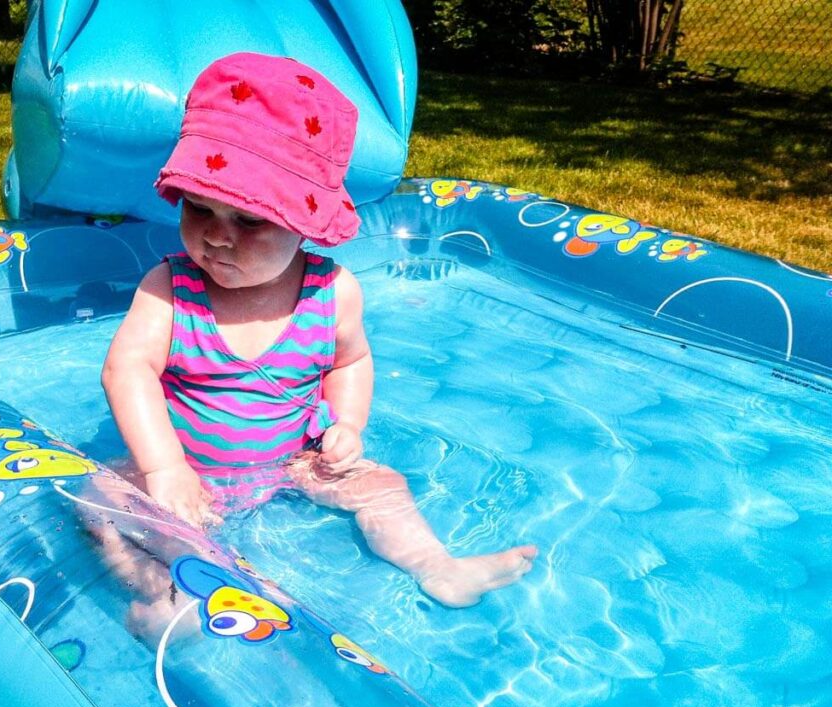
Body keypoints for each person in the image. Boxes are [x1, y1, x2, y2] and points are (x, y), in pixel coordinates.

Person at [101, 52, 536, 608]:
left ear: (305, 223)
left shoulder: (331, 293)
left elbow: (349, 362)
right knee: (103, 498)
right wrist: (165, 467)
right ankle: (161, 590)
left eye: (250, 218)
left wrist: (348, 426)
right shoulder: (169, 289)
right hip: (191, 471)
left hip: (293, 462)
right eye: (198, 208)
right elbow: (126, 369)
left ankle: (438, 567)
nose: (216, 236)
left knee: (383, 486)